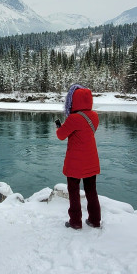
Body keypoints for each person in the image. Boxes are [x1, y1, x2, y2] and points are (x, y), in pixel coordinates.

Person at [55, 84, 101, 230]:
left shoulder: (74, 118)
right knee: (91, 191)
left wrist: (58, 127)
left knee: (74, 192)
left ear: (73, 100)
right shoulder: (94, 116)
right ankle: (94, 220)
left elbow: (61, 135)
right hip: (91, 161)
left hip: (75, 163)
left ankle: (75, 221)